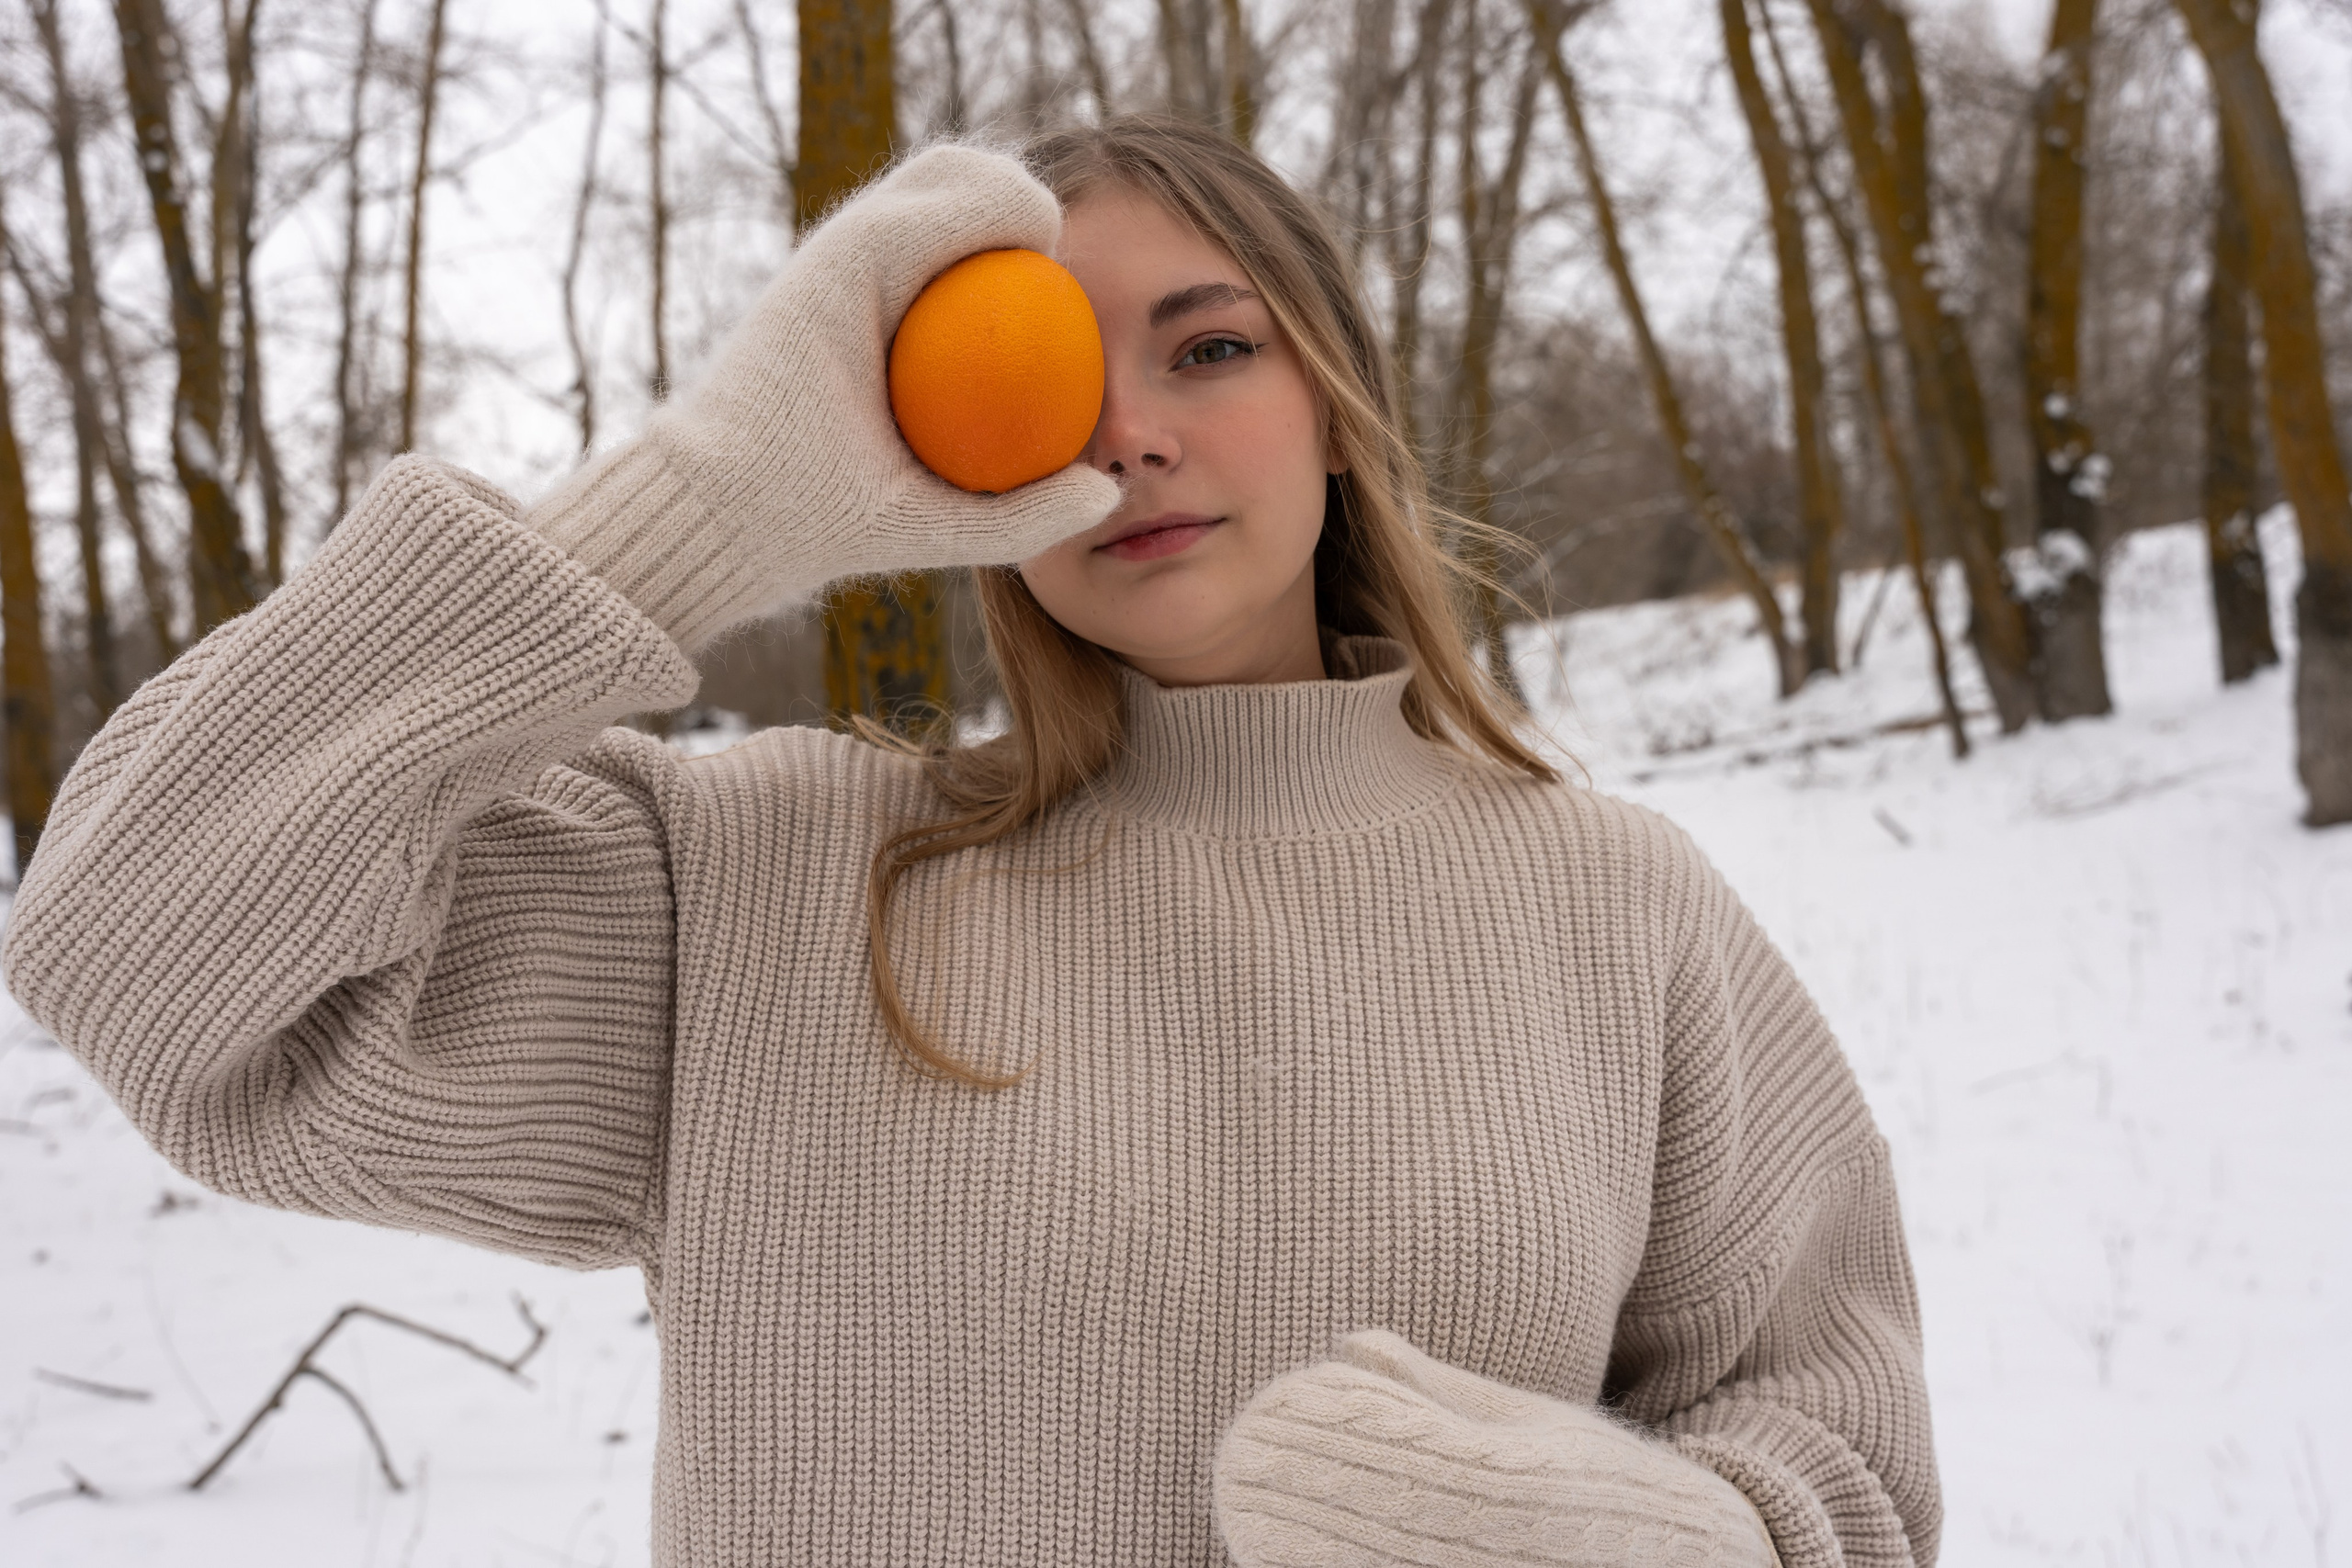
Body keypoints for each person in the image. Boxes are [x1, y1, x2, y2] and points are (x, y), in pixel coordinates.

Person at [2, 118, 1938, 1567]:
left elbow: (1838, 1444)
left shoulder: (1614, 905)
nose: (1138, 434)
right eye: (1056, 385)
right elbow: (129, 934)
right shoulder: (757, 889)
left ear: (1335, 405)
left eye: (1207, 349)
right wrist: (695, 505)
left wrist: (1683, 1534)